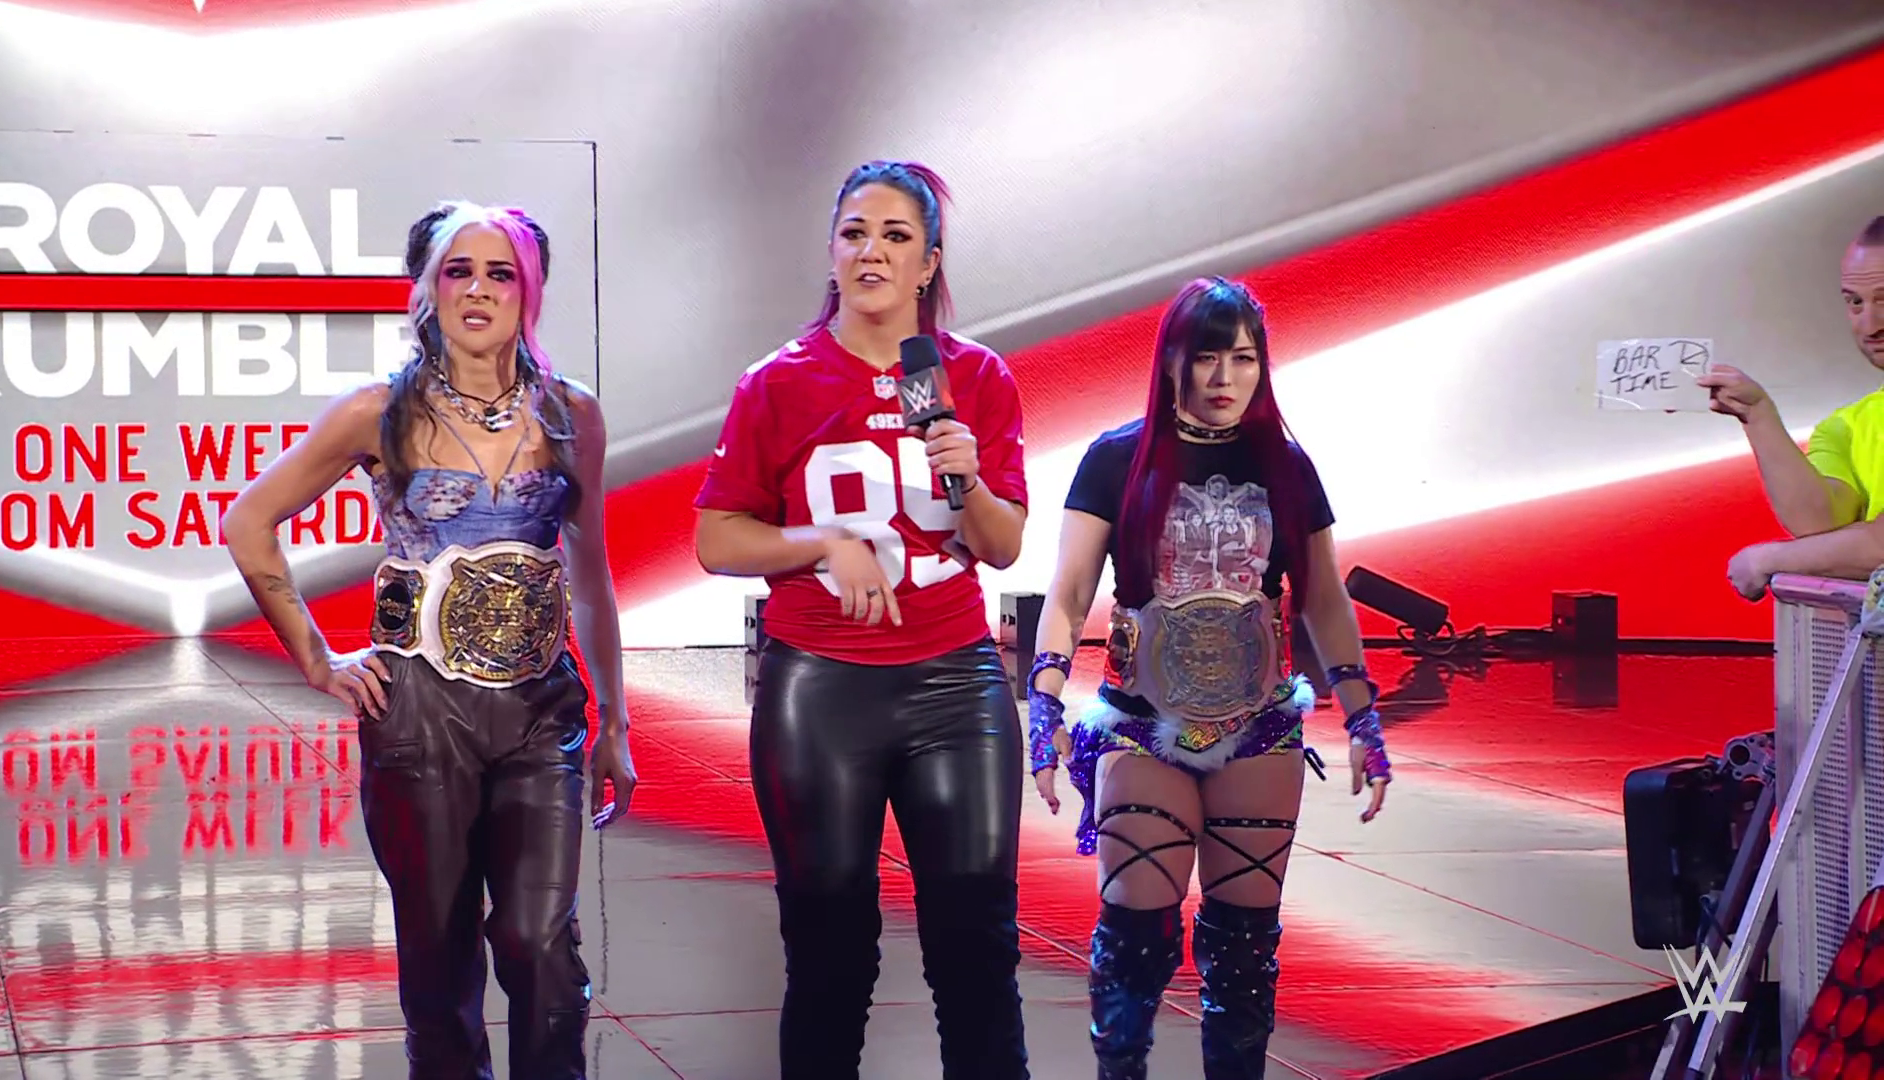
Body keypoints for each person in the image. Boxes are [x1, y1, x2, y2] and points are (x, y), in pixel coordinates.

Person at [222, 200, 637, 1080]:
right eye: (459, 271)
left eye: (501, 274)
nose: (479, 290)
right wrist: (317, 660)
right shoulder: (377, 414)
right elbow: (249, 521)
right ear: (428, 288)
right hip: (418, 717)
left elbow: (592, 570)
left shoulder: (573, 413)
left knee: (538, 942)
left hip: (542, 712)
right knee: (440, 957)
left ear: (531, 292)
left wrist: (616, 720)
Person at [693, 160, 1032, 1079]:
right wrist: (820, 543)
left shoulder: (975, 377)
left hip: (955, 682)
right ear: (832, 251)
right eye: (854, 233)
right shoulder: (777, 382)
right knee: (829, 950)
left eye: (895, 236)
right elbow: (717, 539)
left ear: (929, 262)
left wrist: (965, 478)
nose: (871, 251)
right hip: (821, 686)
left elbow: (1001, 545)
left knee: (977, 946)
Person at [1026, 277, 1393, 1080]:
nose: (1226, 377)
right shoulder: (1116, 457)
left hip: (1260, 727)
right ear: (1171, 362)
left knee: (1244, 957)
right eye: (1207, 357)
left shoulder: (1287, 465)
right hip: (1139, 724)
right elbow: (1069, 592)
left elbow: (1326, 600)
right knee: (1134, 938)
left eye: (1244, 358)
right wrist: (1044, 703)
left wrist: (1363, 719)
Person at [1706, 217, 1884, 599]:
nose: (1871, 325)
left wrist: (1766, 559)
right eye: (1855, 302)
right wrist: (1758, 416)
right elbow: (1819, 528)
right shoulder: (1845, 427)